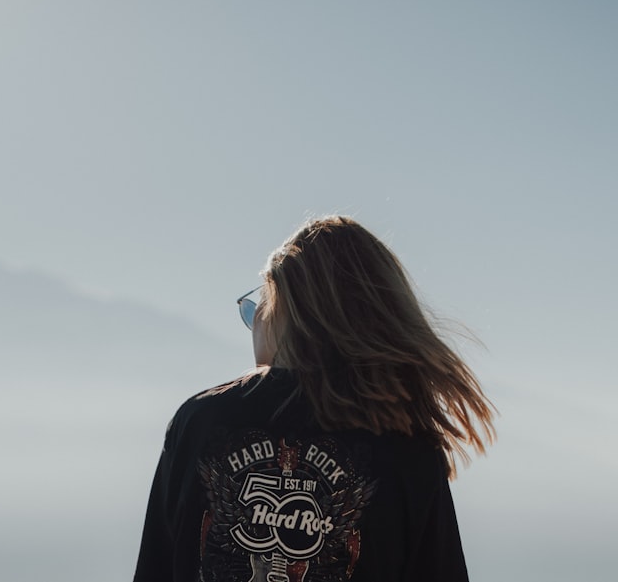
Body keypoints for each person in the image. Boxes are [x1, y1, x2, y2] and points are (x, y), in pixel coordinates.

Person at [133, 215, 495, 582]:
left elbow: (154, 570)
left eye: (258, 304)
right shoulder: (408, 445)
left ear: (284, 309)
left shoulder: (199, 422)